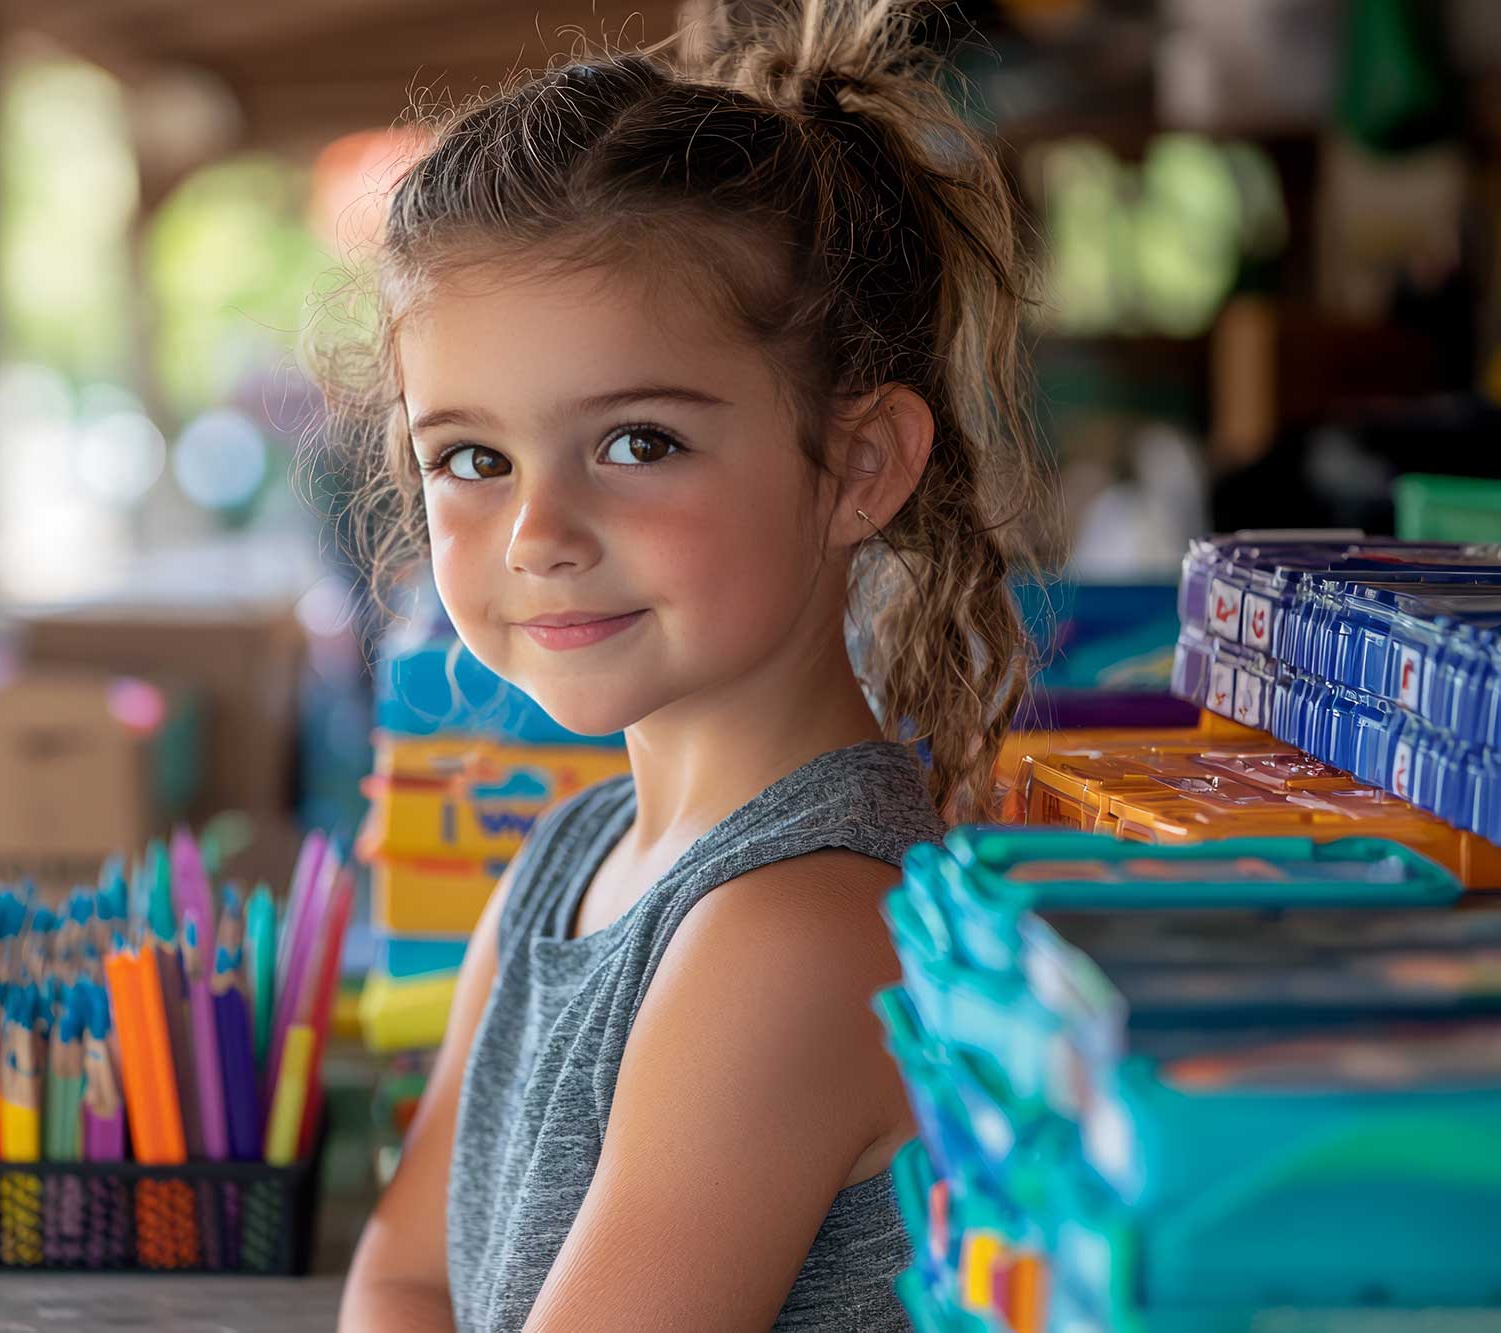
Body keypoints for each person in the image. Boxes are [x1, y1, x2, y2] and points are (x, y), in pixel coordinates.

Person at [314, 2, 1054, 1327]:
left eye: (637, 443)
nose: (539, 534)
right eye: (473, 459)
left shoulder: (800, 932)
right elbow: (405, 1272)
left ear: (862, 464)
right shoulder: (564, 860)